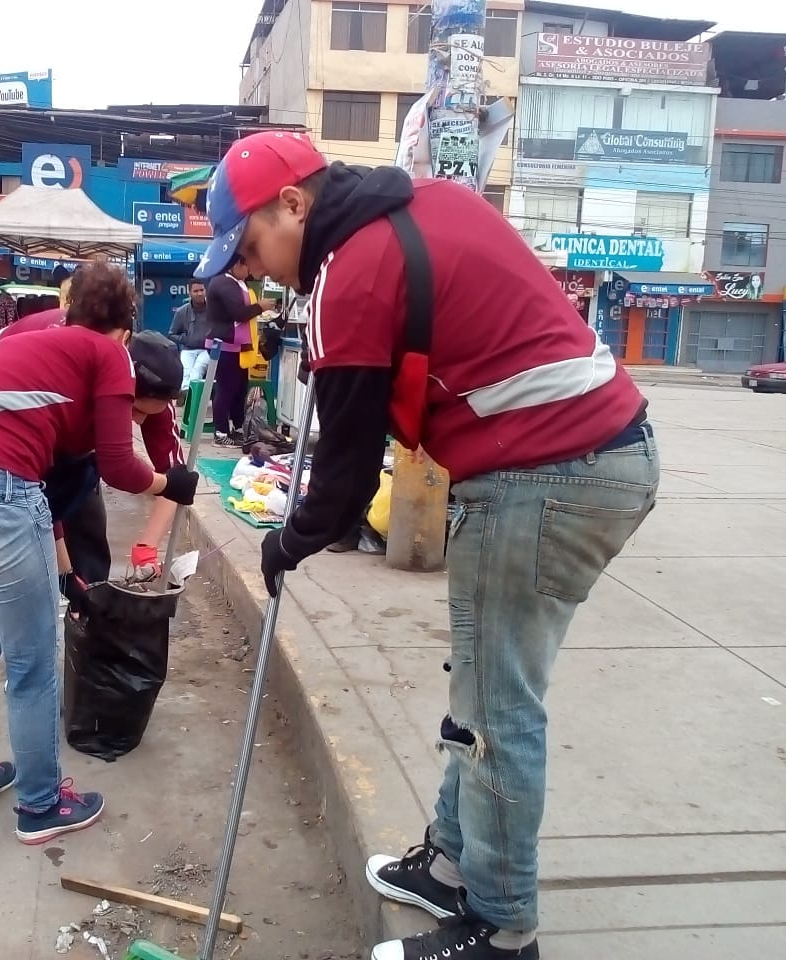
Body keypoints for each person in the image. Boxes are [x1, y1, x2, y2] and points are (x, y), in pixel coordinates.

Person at [195, 130, 660, 960]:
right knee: (481, 684)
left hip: (545, 475)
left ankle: (504, 929)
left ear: (294, 204)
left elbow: (337, 491)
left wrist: (284, 544)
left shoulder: (352, 275)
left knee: (497, 712)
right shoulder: (423, 201)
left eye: (252, 245)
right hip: (588, 459)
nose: (252, 270)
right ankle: (449, 862)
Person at [0, 260, 199, 845]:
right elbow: (109, 467)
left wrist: (64, 572)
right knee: (32, 664)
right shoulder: (110, 353)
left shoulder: (36, 337)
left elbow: (46, 485)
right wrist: (170, 486)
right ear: (126, 325)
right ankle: (39, 805)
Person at [0, 281, 185, 584]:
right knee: (22, 526)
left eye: (147, 415)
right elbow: (118, 468)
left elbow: (175, 480)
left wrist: (147, 546)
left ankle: (89, 599)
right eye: (134, 410)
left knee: (85, 513)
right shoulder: (72, 366)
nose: (136, 421)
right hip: (5, 411)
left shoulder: (155, 386)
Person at [205, 257, 274, 445]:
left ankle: (236, 427)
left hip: (240, 346)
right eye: (248, 266)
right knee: (226, 389)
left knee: (239, 390)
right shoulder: (223, 283)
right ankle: (220, 433)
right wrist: (261, 307)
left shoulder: (239, 282)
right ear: (237, 265)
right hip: (225, 345)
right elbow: (239, 313)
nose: (250, 271)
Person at [168, 279, 212, 394]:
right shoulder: (182, 311)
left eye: (202, 290)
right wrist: (186, 340)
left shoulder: (214, 309)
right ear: (190, 293)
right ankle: (186, 396)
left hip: (207, 350)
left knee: (198, 369)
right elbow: (171, 334)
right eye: (195, 291)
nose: (199, 293)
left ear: (206, 291)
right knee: (186, 372)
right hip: (188, 349)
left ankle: (191, 396)